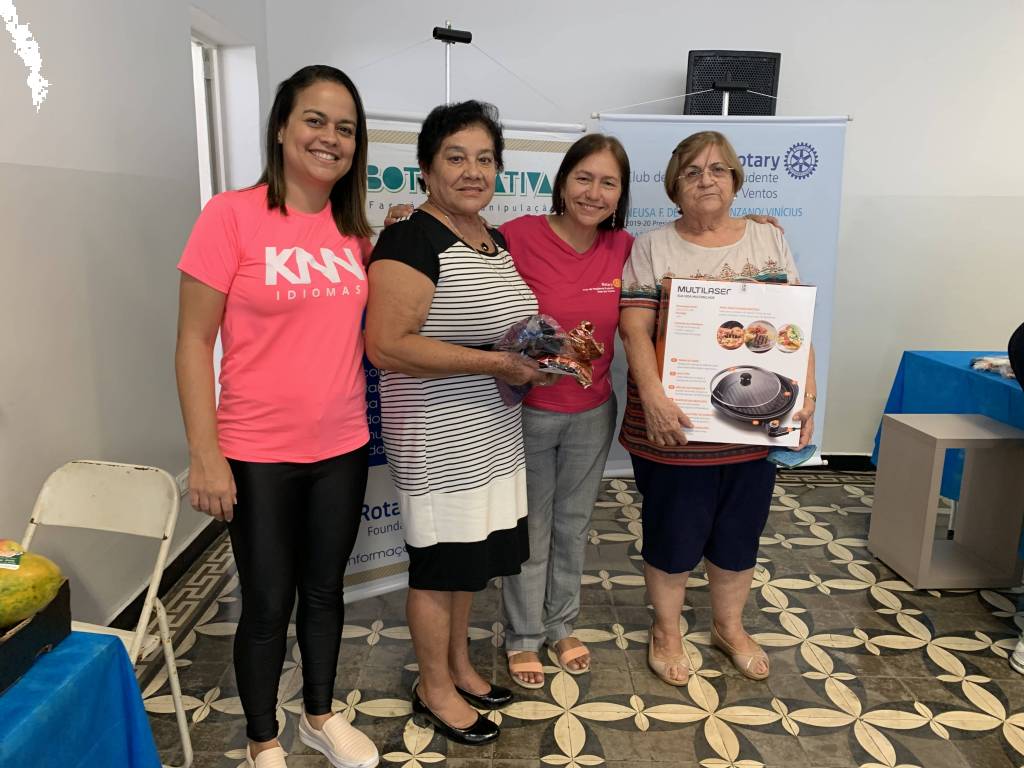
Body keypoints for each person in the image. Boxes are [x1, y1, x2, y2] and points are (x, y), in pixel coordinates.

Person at [175, 65, 379, 768]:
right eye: (315, 120)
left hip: (342, 445)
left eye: (345, 128)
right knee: (266, 603)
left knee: (324, 591)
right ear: (283, 128)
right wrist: (205, 453)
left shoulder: (354, 231)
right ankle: (263, 739)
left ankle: (319, 716)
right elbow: (193, 341)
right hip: (256, 450)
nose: (330, 137)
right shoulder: (230, 215)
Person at [364, 100, 553, 746]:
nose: (473, 171)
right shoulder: (410, 238)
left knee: (469, 563)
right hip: (438, 439)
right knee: (439, 569)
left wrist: (539, 353)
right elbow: (386, 345)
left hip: (491, 435)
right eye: (456, 157)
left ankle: (460, 667)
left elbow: (495, 326)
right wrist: (497, 361)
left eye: (485, 159)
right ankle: (434, 688)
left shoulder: (491, 239)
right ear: (425, 168)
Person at [618, 130, 816, 687]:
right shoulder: (653, 246)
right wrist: (654, 398)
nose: (706, 180)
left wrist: (807, 396)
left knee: (739, 531)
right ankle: (667, 631)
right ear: (674, 185)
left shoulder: (767, 238)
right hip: (674, 424)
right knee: (673, 529)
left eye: (718, 170)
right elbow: (634, 329)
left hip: (755, 423)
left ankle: (729, 627)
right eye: (692, 171)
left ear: (735, 180)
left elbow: (794, 328)